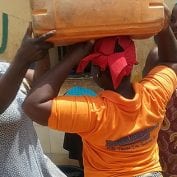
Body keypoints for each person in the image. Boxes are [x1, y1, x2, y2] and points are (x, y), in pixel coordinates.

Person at [23, 7, 177, 177]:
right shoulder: (154, 94)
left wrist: (73, 56)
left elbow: (33, 105)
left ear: (97, 72)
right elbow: (171, 61)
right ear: (133, 63)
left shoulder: (94, 114)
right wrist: (164, 27)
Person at [0, 24, 66, 177]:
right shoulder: (15, 67)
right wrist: (23, 58)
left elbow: (41, 84)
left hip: (35, 168)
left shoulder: (3, 68)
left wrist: (44, 50)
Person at [143, 4, 177, 176]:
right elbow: (144, 100)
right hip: (164, 138)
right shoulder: (157, 55)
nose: (176, 25)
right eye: (173, 19)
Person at [63, 86, 97, 169]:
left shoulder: (69, 96)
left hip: (77, 132)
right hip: (86, 131)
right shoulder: (92, 97)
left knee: (83, 160)